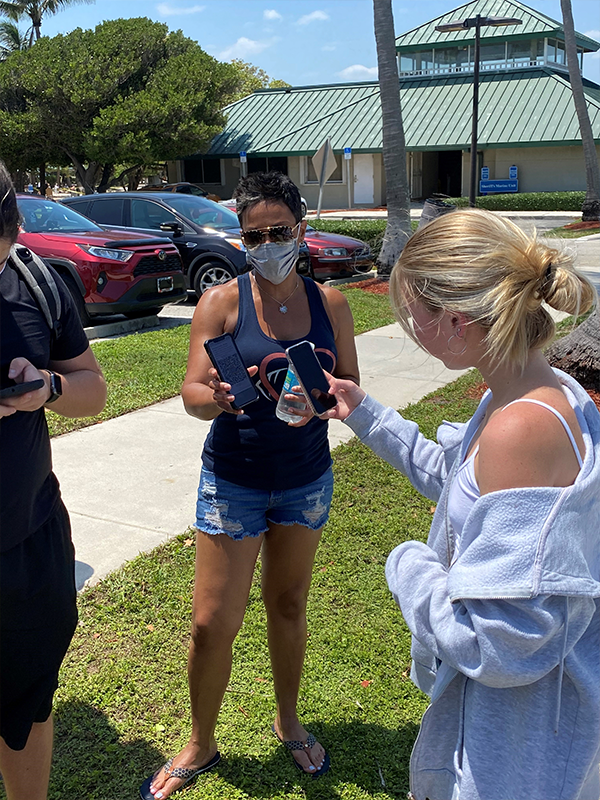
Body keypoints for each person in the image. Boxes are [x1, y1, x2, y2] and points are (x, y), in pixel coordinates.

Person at [325, 209, 600, 800]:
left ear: (454, 321)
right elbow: (459, 482)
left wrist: (408, 566)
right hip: (533, 721)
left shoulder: (519, 428)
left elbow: (497, 643)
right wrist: (363, 413)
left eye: (410, 315)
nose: (408, 329)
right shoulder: (543, 392)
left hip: (519, 743)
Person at [141, 171, 359, 799]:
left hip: (304, 478)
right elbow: (191, 390)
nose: (267, 244)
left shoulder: (331, 305)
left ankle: (288, 721)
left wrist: (327, 402)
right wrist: (215, 399)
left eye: (279, 232)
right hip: (234, 477)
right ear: (241, 238)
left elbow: (348, 380)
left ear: (301, 229)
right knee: (211, 622)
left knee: (288, 604)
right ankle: (202, 742)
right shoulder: (221, 303)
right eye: (254, 235)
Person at [0, 161, 107, 800]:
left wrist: (49, 388)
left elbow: (91, 390)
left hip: (29, 537)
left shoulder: (37, 283)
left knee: (29, 695)